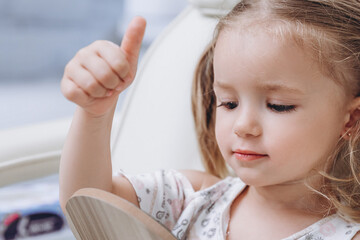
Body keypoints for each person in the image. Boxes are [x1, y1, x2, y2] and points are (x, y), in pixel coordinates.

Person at [59, 0, 360, 239]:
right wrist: (94, 113)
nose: (243, 125)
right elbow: (88, 203)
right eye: (228, 103)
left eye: (278, 106)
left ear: (350, 120)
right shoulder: (192, 199)